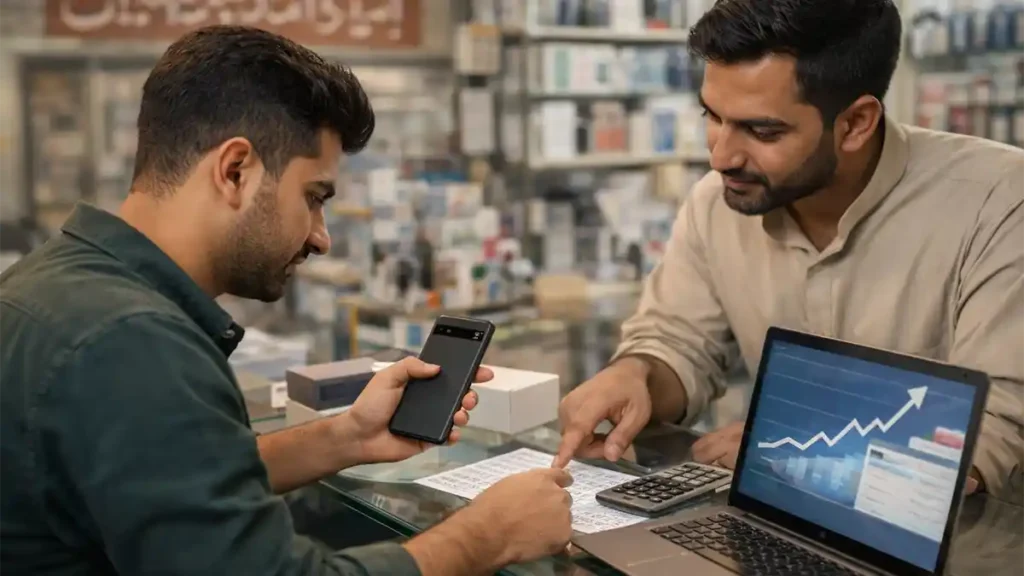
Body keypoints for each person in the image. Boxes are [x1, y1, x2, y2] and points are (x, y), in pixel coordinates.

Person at [0, 26, 573, 576]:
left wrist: (345, 437)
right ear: (235, 171)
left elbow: (167, 480)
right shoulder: (135, 343)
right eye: (314, 197)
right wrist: (486, 536)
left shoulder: (54, 282)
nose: (321, 238)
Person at [555, 0, 1024, 501]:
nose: (721, 156)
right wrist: (637, 375)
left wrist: (795, 453)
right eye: (712, 116)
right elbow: (680, 342)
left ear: (855, 123)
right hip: (771, 521)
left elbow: (998, 427)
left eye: (762, 131)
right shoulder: (716, 203)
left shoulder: (997, 200)